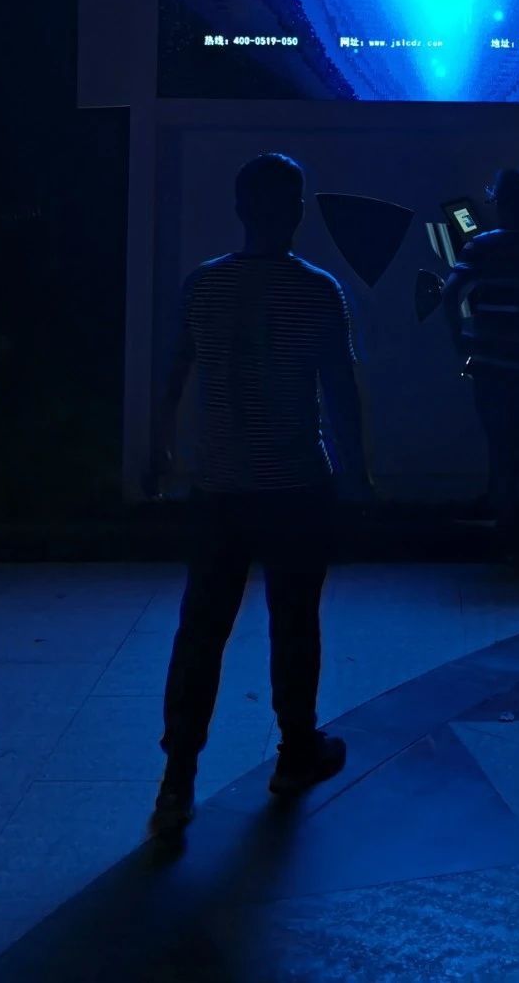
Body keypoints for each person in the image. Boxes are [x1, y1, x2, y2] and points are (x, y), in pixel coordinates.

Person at [147, 153, 371, 838]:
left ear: (240, 207)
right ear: (297, 211)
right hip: (297, 484)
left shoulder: (204, 284)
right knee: (294, 622)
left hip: (218, 485)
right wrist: (359, 476)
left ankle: (177, 778)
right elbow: (341, 392)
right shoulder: (319, 290)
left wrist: (159, 448)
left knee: (201, 628)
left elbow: (175, 373)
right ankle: (295, 752)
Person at [441, 168, 519, 558]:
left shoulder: (481, 247)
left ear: (500, 204)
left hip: (491, 364)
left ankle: (507, 529)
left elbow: (451, 293)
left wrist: (459, 336)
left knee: (500, 445)